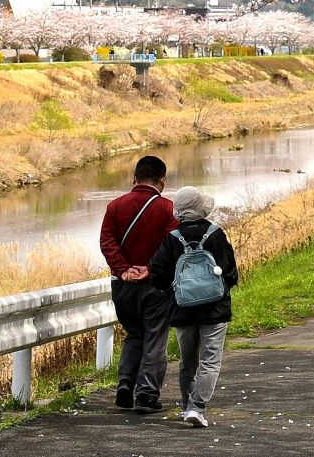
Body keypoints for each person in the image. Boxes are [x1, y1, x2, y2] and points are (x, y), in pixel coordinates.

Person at [148, 186, 239, 428]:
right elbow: (231, 273)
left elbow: (157, 275)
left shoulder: (172, 237)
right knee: (210, 360)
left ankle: (188, 404)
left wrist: (176, 287)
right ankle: (197, 407)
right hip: (215, 309)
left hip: (182, 308)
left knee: (188, 361)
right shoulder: (216, 234)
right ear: (201, 207)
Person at [99, 155, 179, 414]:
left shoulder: (115, 206)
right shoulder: (168, 209)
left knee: (134, 334)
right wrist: (150, 269)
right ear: (162, 181)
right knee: (155, 338)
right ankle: (146, 395)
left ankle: (125, 384)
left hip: (123, 287)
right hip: (155, 286)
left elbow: (107, 241)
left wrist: (123, 270)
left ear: (134, 178)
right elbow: (171, 246)